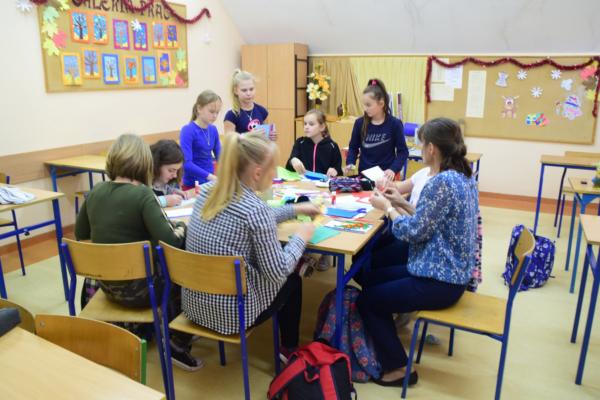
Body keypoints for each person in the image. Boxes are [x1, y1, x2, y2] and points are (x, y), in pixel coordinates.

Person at [357, 118, 479, 387]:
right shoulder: (463, 176)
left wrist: (388, 208)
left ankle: (399, 369)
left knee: (367, 300)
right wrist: (400, 202)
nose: (419, 149)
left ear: (432, 148)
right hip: (445, 270)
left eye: (421, 144)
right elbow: (430, 221)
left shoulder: (441, 182)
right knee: (371, 278)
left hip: (440, 279)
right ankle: (384, 336)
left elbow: (413, 233)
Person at [183, 132, 320, 358]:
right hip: (233, 317)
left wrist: (294, 209)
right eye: (273, 168)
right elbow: (278, 272)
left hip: (194, 306)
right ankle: (289, 350)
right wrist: (301, 237)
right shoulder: (255, 210)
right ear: (257, 173)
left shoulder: (208, 192)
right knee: (292, 280)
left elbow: (257, 217)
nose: (276, 173)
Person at [75, 133, 201, 371]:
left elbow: (81, 235)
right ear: (145, 163)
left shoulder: (95, 191)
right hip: (142, 292)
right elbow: (171, 241)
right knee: (184, 272)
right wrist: (182, 227)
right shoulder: (143, 194)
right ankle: (176, 338)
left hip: (106, 287)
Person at [345, 78, 408, 181]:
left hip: (385, 178)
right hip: (364, 177)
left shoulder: (395, 124)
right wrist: (350, 163)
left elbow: (403, 152)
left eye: (368, 105)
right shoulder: (359, 123)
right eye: (364, 105)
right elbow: (353, 148)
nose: (365, 108)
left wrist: (393, 169)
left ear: (381, 104)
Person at [180, 90, 222, 190]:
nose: (215, 116)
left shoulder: (213, 129)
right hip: (192, 184)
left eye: (217, 112)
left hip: (210, 183)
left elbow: (220, 156)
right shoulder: (188, 130)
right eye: (211, 111)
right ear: (199, 108)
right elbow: (187, 164)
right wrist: (210, 176)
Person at [286, 108, 343, 178]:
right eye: (305, 124)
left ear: (322, 127)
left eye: (311, 124)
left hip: (323, 183)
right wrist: (293, 160)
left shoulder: (333, 146)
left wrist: (335, 171)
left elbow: (339, 172)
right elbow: (288, 168)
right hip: (303, 183)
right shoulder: (300, 143)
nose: (306, 127)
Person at [223, 69, 277, 140]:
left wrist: (270, 136)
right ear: (236, 91)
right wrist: (249, 135)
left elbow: (265, 139)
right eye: (244, 90)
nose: (248, 93)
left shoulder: (262, 111)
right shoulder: (231, 115)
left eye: (251, 89)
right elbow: (229, 142)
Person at [150, 139, 187, 207]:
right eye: (170, 170)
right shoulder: (142, 184)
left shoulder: (169, 182)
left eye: (177, 170)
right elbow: (140, 204)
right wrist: (164, 201)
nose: (175, 175)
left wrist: (172, 191)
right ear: (156, 165)